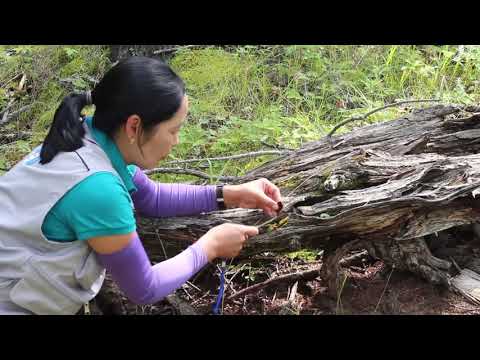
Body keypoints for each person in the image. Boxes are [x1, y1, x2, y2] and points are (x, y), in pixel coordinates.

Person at [0, 56, 282, 315]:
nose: (176, 141)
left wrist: (230, 195)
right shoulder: (98, 189)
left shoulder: (89, 136)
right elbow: (143, 288)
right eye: (173, 130)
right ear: (134, 127)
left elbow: (152, 196)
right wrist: (210, 246)